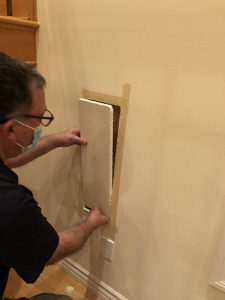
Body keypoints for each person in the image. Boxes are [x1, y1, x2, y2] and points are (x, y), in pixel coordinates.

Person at [0, 53, 109, 300]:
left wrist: (55, 140)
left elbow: (7, 157)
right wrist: (91, 222)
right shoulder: (9, 206)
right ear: (10, 129)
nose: (40, 128)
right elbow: (51, 250)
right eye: (39, 120)